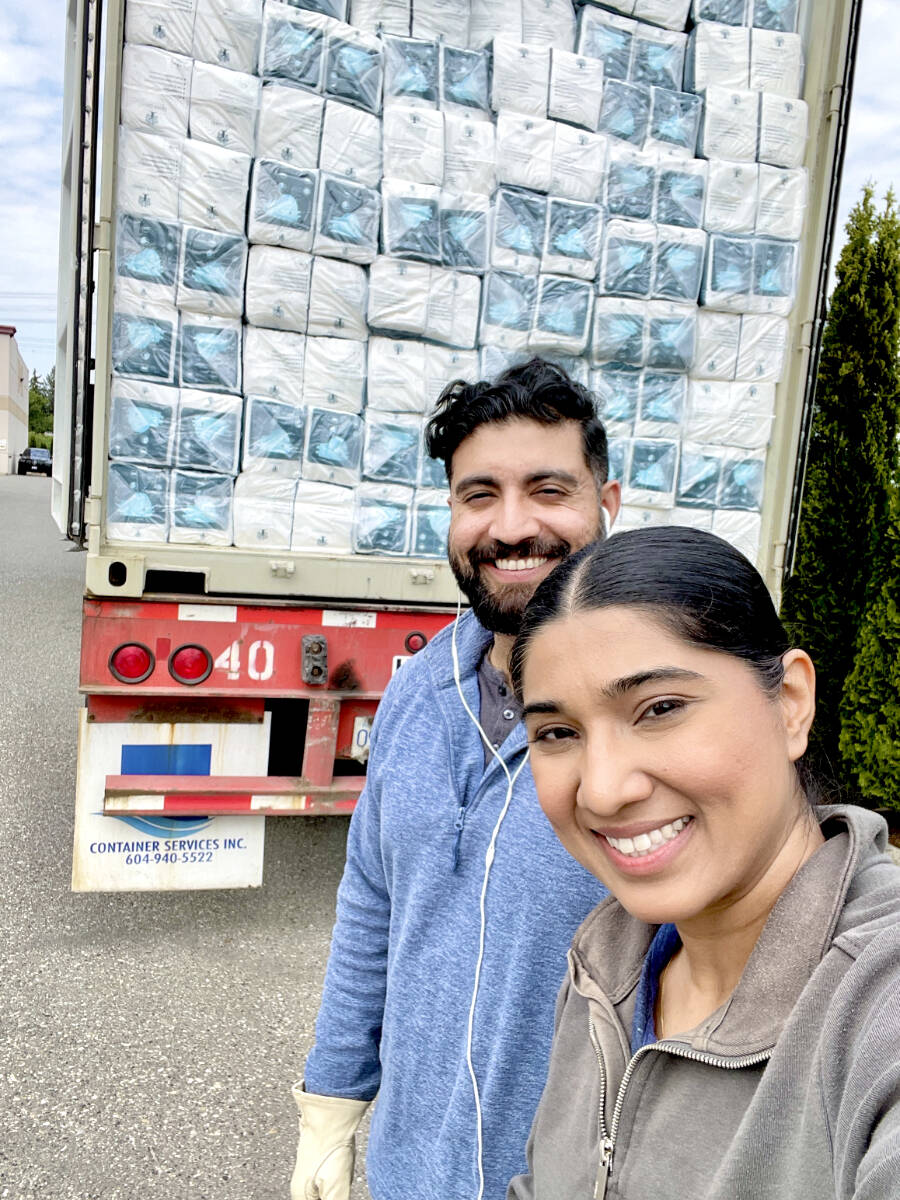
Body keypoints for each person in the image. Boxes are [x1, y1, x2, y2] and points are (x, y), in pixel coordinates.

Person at [290, 359, 621, 1200]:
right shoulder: (419, 688)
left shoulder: (657, 723)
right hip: (412, 1173)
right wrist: (331, 1101)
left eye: (549, 491)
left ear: (606, 509)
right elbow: (373, 897)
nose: (511, 527)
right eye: (480, 495)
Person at [507, 526, 900, 1199]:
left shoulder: (875, 999)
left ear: (791, 703)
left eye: (660, 709)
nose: (602, 789)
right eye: (557, 733)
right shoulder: (606, 965)